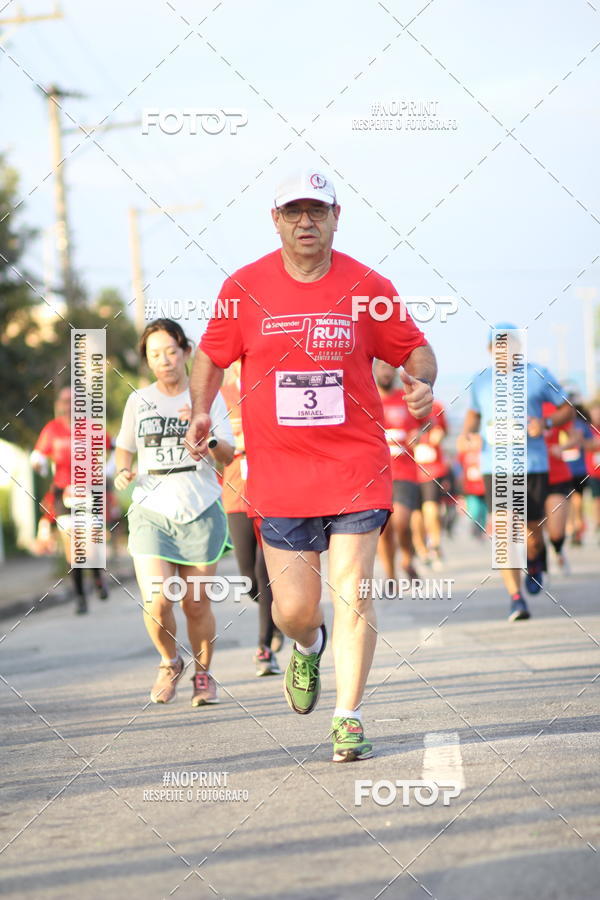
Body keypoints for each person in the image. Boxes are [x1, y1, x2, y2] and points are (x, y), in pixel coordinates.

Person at [185, 168, 436, 762]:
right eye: (293, 212)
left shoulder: (367, 286)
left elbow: (414, 349)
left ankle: (348, 716)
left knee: (353, 590)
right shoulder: (243, 288)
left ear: (335, 217)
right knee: (293, 608)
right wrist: (200, 412)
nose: (305, 222)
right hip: (279, 472)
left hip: (356, 464)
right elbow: (211, 356)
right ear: (275, 220)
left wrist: (420, 382)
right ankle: (307, 644)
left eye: (316, 212)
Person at [114, 319, 234, 706]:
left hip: (199, 508)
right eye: (154, 355)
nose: (164, 360)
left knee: (195, 603)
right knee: (157, 598)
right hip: (151, 510)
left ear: (185, 351)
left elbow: (228, 455)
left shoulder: (208, 398)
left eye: (170, 351)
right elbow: (125, 447)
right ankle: (169, 662)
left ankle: (203, 674)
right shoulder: (139, 400)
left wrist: (205, 433)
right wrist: (122, 470)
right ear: (148, 362)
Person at [462, 323, 572, 622]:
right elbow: (473, 415)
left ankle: (535, 557)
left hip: (532, 465)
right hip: (494, 467)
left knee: (531, 532)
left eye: (510, 345)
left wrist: (545, 425)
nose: (504, 351)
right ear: (489, 350)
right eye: (498, 346)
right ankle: (515, 597)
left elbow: (567, 409)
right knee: (504, 530)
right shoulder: (481, 381)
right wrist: (470, 433)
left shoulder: (538, 374)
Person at [220, 360, 284, 675]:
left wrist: (247, 441)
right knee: (249, 579)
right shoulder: (219, 396)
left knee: (264, 570)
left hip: (271, 492)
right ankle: (281, 617)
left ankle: (263, 647)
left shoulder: (270, 386)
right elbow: (213, 445)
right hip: (234, 493)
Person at [31, 386, 110, 614]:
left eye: (73, 401)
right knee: (73, 549)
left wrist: (109, 469)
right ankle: (80, 598)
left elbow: (113, 447)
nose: (69, 406)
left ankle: (97, 577)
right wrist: (39, 464)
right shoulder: (52, 429)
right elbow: (38, 456)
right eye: (65, 401)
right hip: (64, 493)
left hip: (89, 491)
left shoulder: (92, 428)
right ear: (60, 405)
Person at [373, 359, 421, 582]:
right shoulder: (367, 400)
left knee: (401, 521)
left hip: (404, 472)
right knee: (385, 528)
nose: (385, 372)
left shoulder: (404, 399)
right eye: (381, 368)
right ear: (374, 371)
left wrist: (417, 436)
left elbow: (423, 425)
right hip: (376, 474)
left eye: (389, 368)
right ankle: (390, 576)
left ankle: (407, 557)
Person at [411, 398, 449, 570]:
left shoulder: (437, 407)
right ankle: (421, 549)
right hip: (409, 469)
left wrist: (436, 435)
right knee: (415, 514)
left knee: (431, 509)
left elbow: (442, 431)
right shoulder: (399, 404)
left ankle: (435, 545)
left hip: (432, 468)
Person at [542, 400, 575, 573]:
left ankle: (557, 548)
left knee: (556, 530)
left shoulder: (554, 409)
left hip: (556, 476)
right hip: (527, 476)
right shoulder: (510, 407)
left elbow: (574, 435)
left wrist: (562, 446)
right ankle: (539, 566)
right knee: (533, 529)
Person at [456, 432, 487, 539]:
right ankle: (475, 529)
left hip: (484, 488)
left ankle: (482, 529)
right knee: (475, 509)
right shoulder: (465, 454)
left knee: (483, 510)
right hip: (471, 488)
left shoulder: (484, 453)